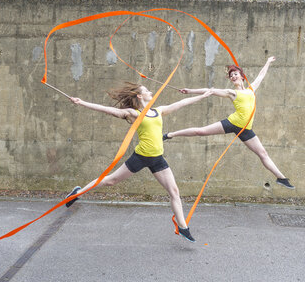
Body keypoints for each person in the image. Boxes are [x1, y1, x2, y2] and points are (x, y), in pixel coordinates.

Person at [64, 82, 213, 242]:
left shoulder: (158, 111)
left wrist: (201, 96)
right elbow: (109, 110)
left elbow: (180, 104)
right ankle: (77, 193)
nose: (151, 92)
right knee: (111, 181)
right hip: (141, 157)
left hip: (157, 158)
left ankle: (183, 227)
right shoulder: (134, 113)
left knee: (174, 192)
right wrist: (82, 103)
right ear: (140, 96)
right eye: (147, 91)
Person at [163, 56, 295, 189]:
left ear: (242, 76)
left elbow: (261, 75)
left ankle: (281, 178)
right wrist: (190, 91)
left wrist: (267, 62)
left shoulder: (251, 89)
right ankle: (170, 134)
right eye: (231, 76)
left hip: (246, 129)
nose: (233, 77)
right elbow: (211, 91)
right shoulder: (232, 93)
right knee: (200, 131)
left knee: (263, 153)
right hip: (233, 123)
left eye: (235, 74)